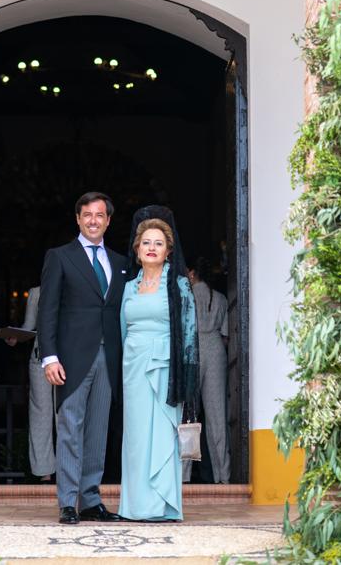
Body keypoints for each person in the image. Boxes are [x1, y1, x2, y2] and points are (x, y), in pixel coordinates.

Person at [37, 191, 128, 525]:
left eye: (99, 215)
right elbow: (48, 310)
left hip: (109, 357)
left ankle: (90, 500)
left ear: (108, 220)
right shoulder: (60, 257)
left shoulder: (120, 263)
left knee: (98, 430)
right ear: (78, 219)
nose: (93, 221)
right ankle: (67, 502)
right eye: (87, 215)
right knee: (70, 428)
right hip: (72, 357)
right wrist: (49, 357)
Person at [119, 211, 198, 522]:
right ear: (137, 249)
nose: (152, 248)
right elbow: (122, 331)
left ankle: (164, 506)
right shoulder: (128, 287)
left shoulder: (179, 285)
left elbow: (189, 333)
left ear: (168, 251)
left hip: (167, 368)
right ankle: (136, 507)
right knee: (137, 438)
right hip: (133, 367)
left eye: (159, 243)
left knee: (164, 436)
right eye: (146, 243)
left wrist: (188, 379)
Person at [185, 257, 230, 484]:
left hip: (191, 350)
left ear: (193, 274)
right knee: (217, 417)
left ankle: (183, 477)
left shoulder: (186, 297)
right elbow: (226, 336)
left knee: (188, 416)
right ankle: (224, 476)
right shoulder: (220, 298)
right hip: (216, 350)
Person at [7, 286, 55, 481]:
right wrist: (15, 337)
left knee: (66, 414)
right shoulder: (36, 293)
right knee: (41, 414)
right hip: (39, 358)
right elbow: (29, 325)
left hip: (70, 359)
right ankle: (44, 472)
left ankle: (69, 470)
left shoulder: (76, 284)